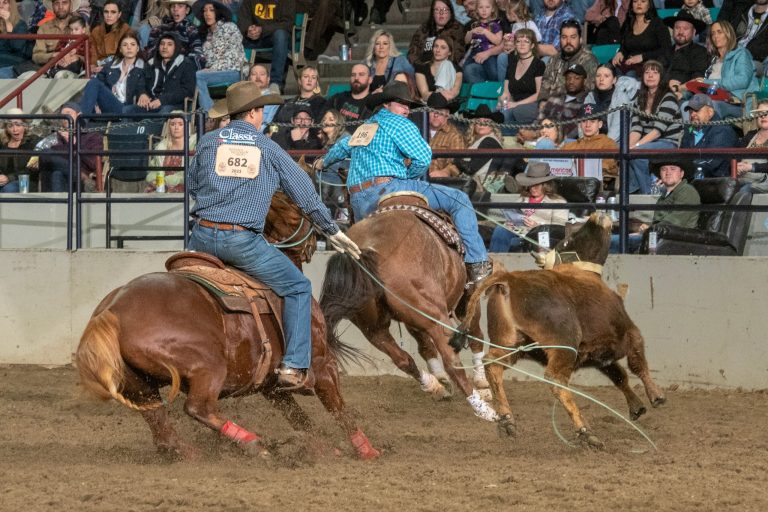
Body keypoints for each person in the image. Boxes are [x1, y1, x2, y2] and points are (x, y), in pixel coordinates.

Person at [188, 80, 360, 389]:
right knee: (297, 286)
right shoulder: (268, 148)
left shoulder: (207, 142)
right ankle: (293, 366)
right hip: (241, 242)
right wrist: (331, 229)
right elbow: (305, 195)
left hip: (200, 237)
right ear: (254, 113)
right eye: (261, 110)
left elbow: (192, 185)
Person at [321, 81, 492, 285]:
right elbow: (423, 157)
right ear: (386, 105)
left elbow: (340, 149)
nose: (407, 109)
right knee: (459, 199)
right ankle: (477, 262)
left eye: (408, 105)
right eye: (402, 104)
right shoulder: (400, 124)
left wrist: (322, 162)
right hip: (389, 188)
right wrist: (409, 177)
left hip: (358, 201)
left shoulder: (365, 127)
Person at [610, 157, 701, 253]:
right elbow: (660, 223)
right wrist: (644, 230)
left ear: (681, 174)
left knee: (611, 242)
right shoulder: (664, 196)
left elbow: (674, 223)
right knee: (612, 239)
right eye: (664, 169)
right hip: (659, 237)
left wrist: (649, 230)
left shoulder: (687, 191)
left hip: (676, 241)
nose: (668, 172)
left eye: (673, 169)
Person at [628, 59, 682, 194]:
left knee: (637, 154)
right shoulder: (639, 99)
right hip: (648, 142)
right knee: (625, 154)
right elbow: (636, 129)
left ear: (661, 77)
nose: (650, 75)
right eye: (647, 72)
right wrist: (628, 148)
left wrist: (637, 147)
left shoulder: (668, 97)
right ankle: (631, 194)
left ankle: (648, 194)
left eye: (655, 73)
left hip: (668, 142)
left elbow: (658, 131)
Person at [489, 161, 567, 252]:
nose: (533, 188)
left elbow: (560, 229)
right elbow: (514, 214)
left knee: (509, 238)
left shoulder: (558, 202)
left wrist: (538, 226)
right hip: (519, 231)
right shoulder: (524, 198)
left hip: (538, 235)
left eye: (537, 185)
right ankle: (494, 261)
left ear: (546, 185)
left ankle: (496, 259)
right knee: (501, 229)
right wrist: (511, 222)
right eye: (530, 185)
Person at [38, 102, 103, 192]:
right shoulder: (57, 137)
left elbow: (93, 163)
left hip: (81, 175)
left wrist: (73, 143)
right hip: (72, 175)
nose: (65, 118)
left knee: (56, 172)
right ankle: (82, 177)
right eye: (63, 116)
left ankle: (55, 204)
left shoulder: (92, 136)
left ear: (79, 115)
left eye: (68, 114)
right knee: (48, 158)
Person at [701, 20, 759, 120]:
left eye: (719, 32)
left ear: (728, 34)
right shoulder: (714, 59)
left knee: (710, 107)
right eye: (713, 33)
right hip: (714, 99)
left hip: (738, 104)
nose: (715, 36)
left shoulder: (741, 54)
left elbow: (742, 80)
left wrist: (709, 83)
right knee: (687, 104)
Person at [79, 31, 148, 115]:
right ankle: (82, 120)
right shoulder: (110, 66)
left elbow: (145, 87)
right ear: (120, 49)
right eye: (125, 45)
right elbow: (99, 85)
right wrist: (96, 104)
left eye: (133, 44)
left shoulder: (145, 68)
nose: (129, 48)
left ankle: (81, 120)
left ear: (137, 48)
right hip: (110, 105)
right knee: (93, 82)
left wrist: (143, 94)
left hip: (128, 109)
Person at [193, 0, 244, 112]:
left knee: (200, 76)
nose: (207, 13)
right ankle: (202, 111)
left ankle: (208, 112)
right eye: (205, 10)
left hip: (234, 71)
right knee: (194, 73)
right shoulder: (207, 34)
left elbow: (233, 58)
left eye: (211, 10)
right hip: (215, 73)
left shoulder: (229, 27)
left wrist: (212, 69)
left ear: (218, 12)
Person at [132, 32, 196, 114]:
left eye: (169, 44)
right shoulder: (151, 63)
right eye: (162, 44)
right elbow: (140, 83)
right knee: (127, 110)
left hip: (173, 105)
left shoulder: (186, 64)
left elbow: (188, 90)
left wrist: (162, 100)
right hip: (150, 103)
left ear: (175, 47)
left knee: (164, 112)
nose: (165, 47)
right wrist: (142, 93)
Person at [497, 29, 545, 136]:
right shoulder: (512, 62)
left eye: (526, 41)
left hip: (532, 104)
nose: (522, 44)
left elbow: (539, 94)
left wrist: (515, 104)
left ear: (532, 45)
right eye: (518, 41)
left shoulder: (539, 64)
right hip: (514, 103)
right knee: (497, 113)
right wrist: (502, 103)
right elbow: (506, 92)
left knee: (515, 111)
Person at [537, 19, 598, 101]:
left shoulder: (589, 60)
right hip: (549, 104)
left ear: (580, 39)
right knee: (521, 111)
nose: (568, 41)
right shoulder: (554, 59)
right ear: (560, 39)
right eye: (564, 37)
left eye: (573, 37)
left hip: (573, 106)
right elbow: (544, 87)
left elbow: (586, 92)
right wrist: (542, 102)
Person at [237, 0, 292, 92]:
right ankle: (241, 85)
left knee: (281, 35)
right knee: (234, 33)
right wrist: (248, 30)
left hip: (273, 38)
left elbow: (287, 23)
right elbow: (242, 19)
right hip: (252, 38)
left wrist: (262, 30)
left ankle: (275, 84)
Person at [562, 103, 620, 190]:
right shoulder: (569, 146)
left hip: (594, 188)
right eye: (584, 121)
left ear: (600, 124)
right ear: (580, 124)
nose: (587, 125)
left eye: (592, 121)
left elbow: (609, 168)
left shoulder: (608, 144)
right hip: (569, 187)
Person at [680, 94, 739, 178]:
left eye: (697, 110)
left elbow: (711, 163)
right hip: (692, 177)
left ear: (710, 112)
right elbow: (681, 156)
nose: (692, 115)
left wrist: (682, 171)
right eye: (690, 111)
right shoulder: (689, 130)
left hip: (715, 182)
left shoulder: (723, 130)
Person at [611, 0, 672, 75]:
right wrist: (621, 52)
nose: (639, 4)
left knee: (630, 74)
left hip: (649, 65)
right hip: (629, 63)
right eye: (635, 1)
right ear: (631, 6)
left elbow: (666, 49)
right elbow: (625, 46)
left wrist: (642, 57)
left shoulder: (658, 24)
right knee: (607, 69)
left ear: (649, 5)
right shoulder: (629, 22)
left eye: (643, 1)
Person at [458, 103, 509, 192]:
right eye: (478, 121)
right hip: (470, 184)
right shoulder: (478, 141)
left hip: (479, 187)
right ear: (473, 124)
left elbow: (471, 168)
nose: (481, 124)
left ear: (492, 125)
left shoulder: (490, 141)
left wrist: (454, 160)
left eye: (486, 121)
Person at [584, 63, 639, 142]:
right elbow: (582, 124)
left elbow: (615, 132)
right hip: (590, 142)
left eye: (606, 76)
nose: (601, 79)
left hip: (613, 144)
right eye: (598, 75)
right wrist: (584, 142)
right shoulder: (590, 96)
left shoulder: (621, 98)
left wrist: (599, 146)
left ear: (614, 80)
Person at [145, 112, 196, 193]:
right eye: (172, 124)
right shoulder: (161, 147)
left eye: (180, 124)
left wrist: (168, 181)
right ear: (168, 127)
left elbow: (192, 172)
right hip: (161, 186)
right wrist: (155, 179)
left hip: (184, 188)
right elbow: (153, 170)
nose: (176, 127)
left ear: (187, 126)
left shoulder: (193, 146)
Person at [536, 63, 589, 140]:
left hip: (568, 145)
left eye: (576, 78)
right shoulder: (553, 99)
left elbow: (578, 131)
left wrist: (558, 139)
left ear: (584, 80)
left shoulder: (586, 102)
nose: (571, 81)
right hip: (543, 139)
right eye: (568, 78)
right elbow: (539, 120)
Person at [664, 10, 709, 100]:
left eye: (685, 29)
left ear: (694, 32)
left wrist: (677, 88)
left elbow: (698, 80)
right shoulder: (665, 51)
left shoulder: (700, 52)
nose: (680, 32)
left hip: (684, 96)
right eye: (677, 28)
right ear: (673, 30)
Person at [145, 0, 203, 68]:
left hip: (181, 71)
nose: (175, 9)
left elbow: (197, 54)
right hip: (159, 69)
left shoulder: (192, 30)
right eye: (173, 6)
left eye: (180, 6)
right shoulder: (158, 29)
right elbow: (150, 53)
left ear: (187, 10)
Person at [407, 0, 467, 67]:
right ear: (432, 13)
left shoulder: (458, 29)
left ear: (450, 12)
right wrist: (419, 68)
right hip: (421, 69)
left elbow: (457, 56)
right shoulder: (424, 28)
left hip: (444, 69)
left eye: (445, 9)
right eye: (437, 9)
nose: (441, 13)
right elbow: (412, 52)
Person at [496, 0, 542, 80]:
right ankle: (503, 85)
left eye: (507, 13)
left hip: (528, 55)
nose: (506, 15)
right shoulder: (514, 26)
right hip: (516, 54)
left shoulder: (529, 24)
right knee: (502, 56)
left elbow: (538, 38)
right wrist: (508, 40)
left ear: (513, 14)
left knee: (503, 57)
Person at [462, 0, 503, 83]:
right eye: (481, 7)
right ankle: (478, 90)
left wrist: (485, 32)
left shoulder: (495, 24)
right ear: (476, 10)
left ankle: (495, 88)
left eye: (487, 7)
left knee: (493, 72)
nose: (484, 10)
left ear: (492, 9)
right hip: (474, 52)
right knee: (464, 70)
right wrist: (471, 32)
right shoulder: (474, 24)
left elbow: (498, 41)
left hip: (488, 52)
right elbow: (466, 41)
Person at [426, 93, 465, 178]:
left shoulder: (454, 135)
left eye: (439, 111)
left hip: (439, 183)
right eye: (432, 111)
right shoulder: (418, 131)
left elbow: (457, 163)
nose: (435, 115)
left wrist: (445, 172)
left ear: (447, 114)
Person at [414, 35, 463, 101]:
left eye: (443, 48)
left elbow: (454, 92)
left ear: (449, 52)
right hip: (427, 103)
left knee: (447, 64)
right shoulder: (421, 68)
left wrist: (442, 96)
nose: (438, 50)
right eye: (436, 46)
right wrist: (439, 96)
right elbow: (424, 94)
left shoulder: (457, 70)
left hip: (447, 104)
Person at [0, 108, 38, 192]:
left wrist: (9, 178)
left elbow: (31, 170)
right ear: (6, 128)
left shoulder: (33, 143)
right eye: (10, 126)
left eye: (18, 125)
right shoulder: (2, 144)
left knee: (9, 189)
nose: (14, 129)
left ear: (24, 125)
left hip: (25, 181)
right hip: (3, 182)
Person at [326, 63, 373, 130]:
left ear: (370, 79)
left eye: (361, 74)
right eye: (353, 75)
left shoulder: (373, 104)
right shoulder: (337, 99)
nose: (356, 78)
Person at [88, 0, 130, 73]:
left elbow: (127, 55)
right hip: (99, 67)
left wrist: (107, 67)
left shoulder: (126, 30)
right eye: (106, 12)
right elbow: (93, 53)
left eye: (113, 12)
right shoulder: (96, 31)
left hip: (118, 68)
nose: (109, 15)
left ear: (119, 14)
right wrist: (92, 65)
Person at [736, 100, 768, 193]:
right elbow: (736, 155)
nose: (763, 116)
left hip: (762, 183)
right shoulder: (750, 135)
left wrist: (751, 167)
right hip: (743, 178)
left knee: (744, 191)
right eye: (760, 113)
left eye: (767, 113)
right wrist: (736, 166)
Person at [32, 0, 75, 66]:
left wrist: (76, 57)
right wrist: (54, 55)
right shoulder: (44, 28)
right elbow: (36, 56)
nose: (60, 7)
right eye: (57, 3)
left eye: (64, 2)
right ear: (52, 6)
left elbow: (89, 54)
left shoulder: (80, 26)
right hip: (50, 70)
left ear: (70, 5)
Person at [45, 14, 87, 78]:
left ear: (83, 30)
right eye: (71, 29)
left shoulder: (85, 42)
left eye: (76, 29)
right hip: (60, 62)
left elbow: (88, 57)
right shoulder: (64, 40)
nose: (73, 32)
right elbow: (57, 51)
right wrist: (61, 56)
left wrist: (75, 52)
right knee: (53, 58)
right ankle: (53, 71)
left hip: (75, 65)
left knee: (75, 60)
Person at [0, 0, 32, 78]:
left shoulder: (20, 24)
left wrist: (8, 23)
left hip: (12, 66)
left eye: (5, 3)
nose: (0, 6)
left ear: (11, 6)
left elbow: (16, 46)